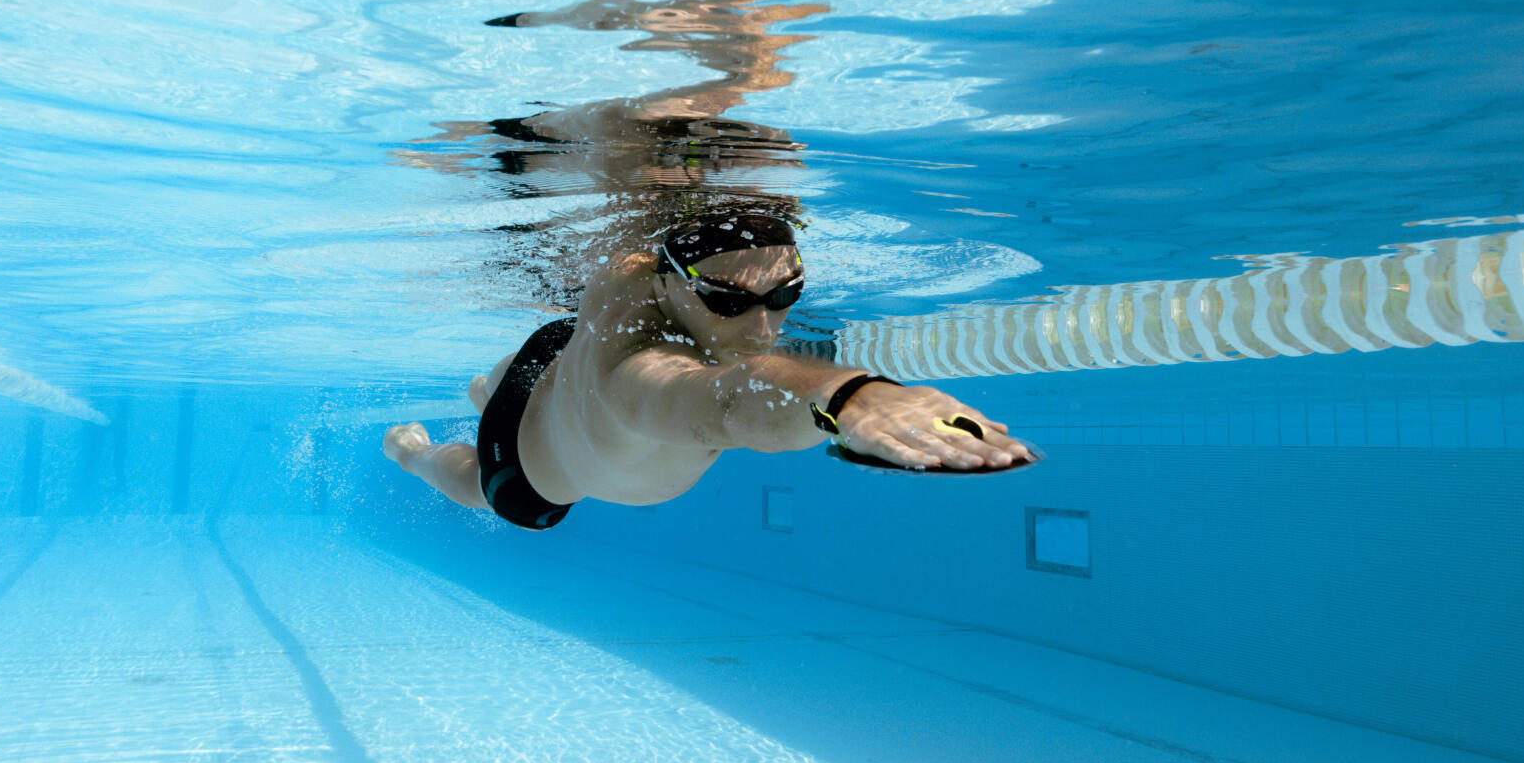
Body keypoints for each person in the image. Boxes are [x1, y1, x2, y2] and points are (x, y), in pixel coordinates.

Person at [384, 210, 1036, 529]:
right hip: (527, 466)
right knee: (480, 487)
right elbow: (723, 402)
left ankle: (488, 387)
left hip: (558, 352)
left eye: (785, 296)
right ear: (670, 288)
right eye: (729, 300)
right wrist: (851, 397)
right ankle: (414, 451)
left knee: (513, 380)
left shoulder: (656, 297)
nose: (762, 328)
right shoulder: (636, 374)